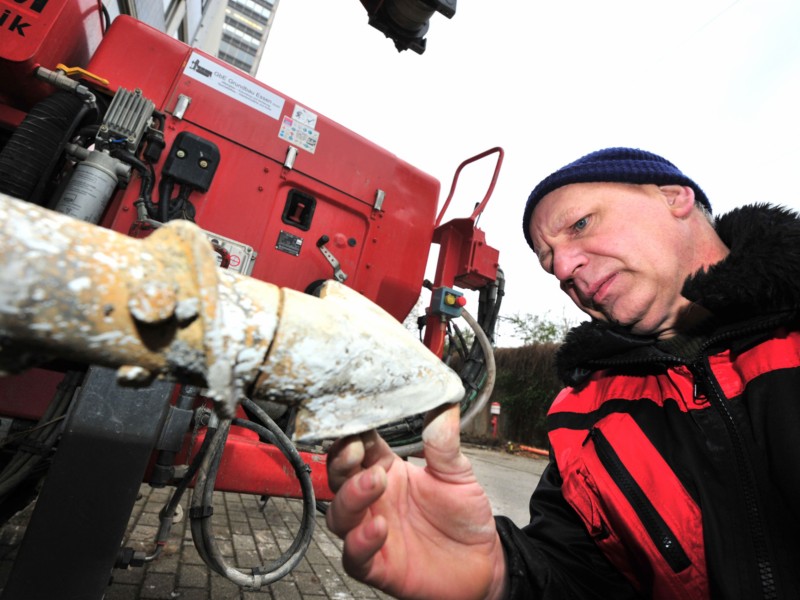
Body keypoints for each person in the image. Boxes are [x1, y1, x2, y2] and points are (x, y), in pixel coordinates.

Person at [324, 147, 800, 599]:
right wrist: (498, 573)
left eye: (581, 224)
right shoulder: (581, 415)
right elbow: (580, 576)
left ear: (673, 196)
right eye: (550, 263)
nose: (566, 269)